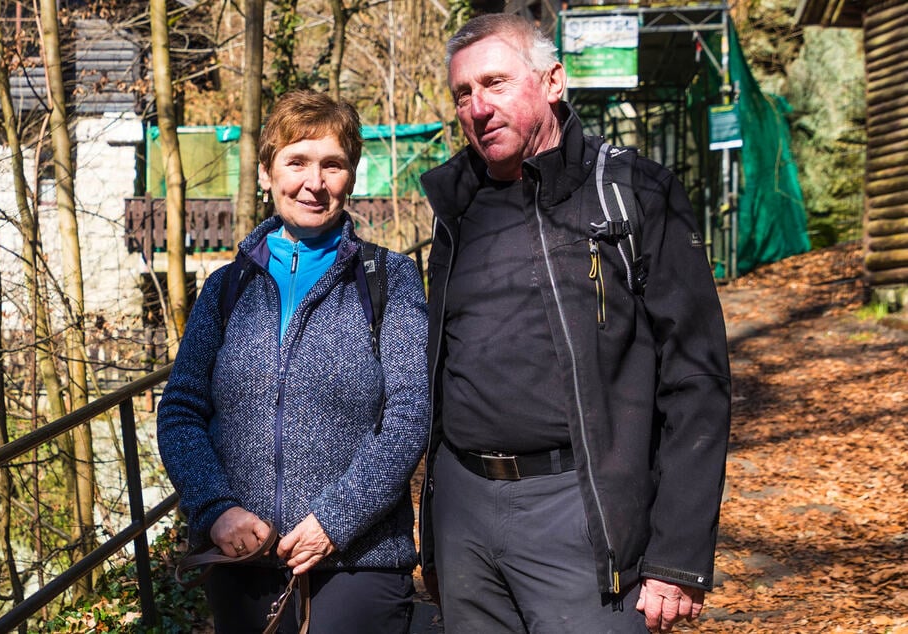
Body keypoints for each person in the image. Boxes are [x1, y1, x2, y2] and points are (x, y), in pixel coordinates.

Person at [418, 14, 731, 634]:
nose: (478, 107)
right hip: (465, 515)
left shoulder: (633, 192)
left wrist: (677, 555)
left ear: (552, 81)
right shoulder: (454, 205)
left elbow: (697, 378)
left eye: (496, 83)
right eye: (463, 93)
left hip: (585, 513)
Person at [157, 90, 429, 634]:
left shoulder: (388, 280)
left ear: (351, 177)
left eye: (333, 164)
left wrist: (334, 519)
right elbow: (181, 411)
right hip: (243, 564)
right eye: (297, 161)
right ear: (265, 173)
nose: (314, 182)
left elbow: (409, 418)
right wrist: (216, 510)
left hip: (359, 566)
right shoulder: (225, 289)